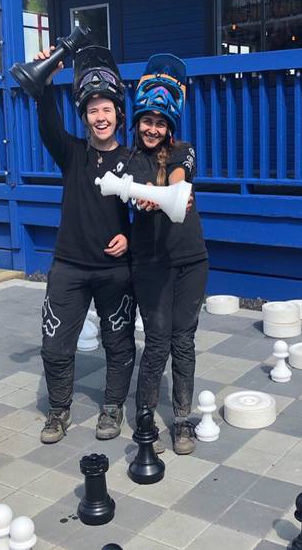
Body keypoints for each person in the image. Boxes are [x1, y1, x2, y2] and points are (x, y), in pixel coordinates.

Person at [34, 45, 136, 444]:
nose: (100, 116)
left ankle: (112, 406)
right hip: (69, 266)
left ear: (118, 114)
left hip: (114, 270)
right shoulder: (72, 153)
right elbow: (48, 126)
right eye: (93, 110)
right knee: (54, 345)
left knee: (118, 342)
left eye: (107, 109)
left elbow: (150, 214)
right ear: (85, 116)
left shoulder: (133, 160)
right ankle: (58, 410)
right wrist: (46, 82)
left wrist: (130, 237)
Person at [127, 54, 208, 455]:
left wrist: (174, 193)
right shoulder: (129, 160)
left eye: (160, 123)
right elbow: (137, 192)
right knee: (157, 341)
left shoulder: (183, 150)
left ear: (169, 127)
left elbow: (179, 175)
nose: (153, 129)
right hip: (150, 263)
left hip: (191, 260)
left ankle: (181, 420)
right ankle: (145, 420)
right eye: (147, 121)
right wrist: (152, 199)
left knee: (184, 340)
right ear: (137, 121)